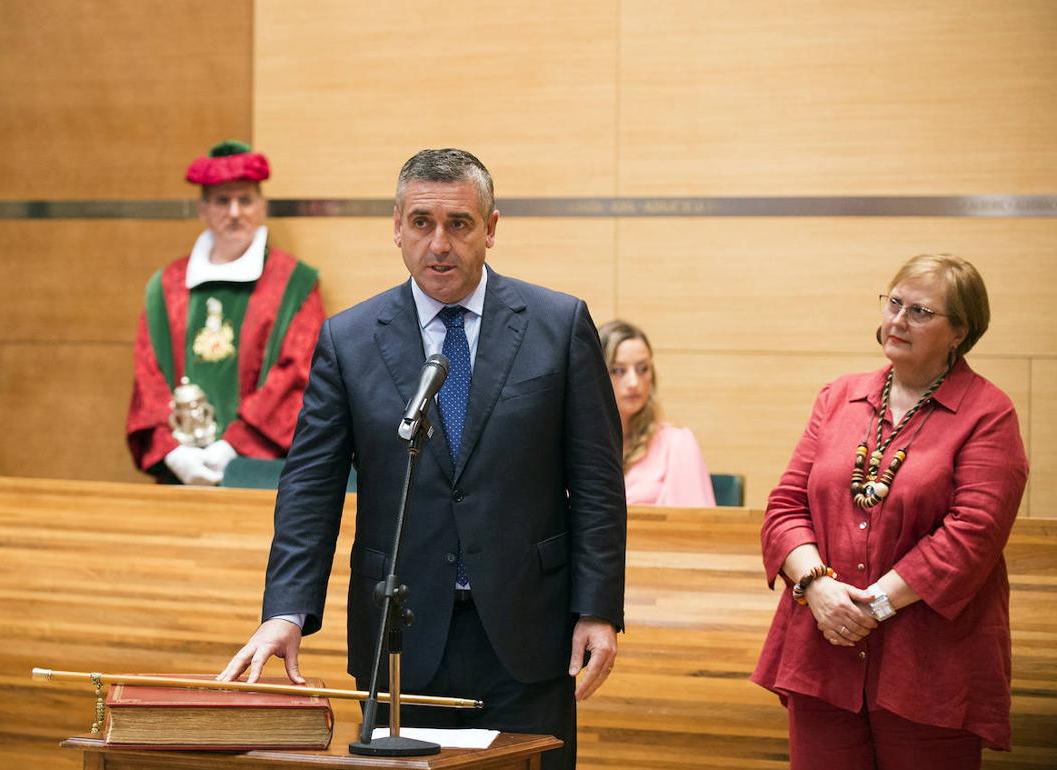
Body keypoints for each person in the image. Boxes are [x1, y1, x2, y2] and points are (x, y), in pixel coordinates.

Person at [220, 148, 626, 769]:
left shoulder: (558, 324)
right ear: (396, 227)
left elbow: (597, 482)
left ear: (490, 228)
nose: (440, 243)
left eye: (459, 224)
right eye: (421, 223)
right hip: (402, 635)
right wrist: (287, 610)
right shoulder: (348, 340)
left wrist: (597, 608)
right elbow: (311, 488)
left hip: (528, 633)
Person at [751, 254, 1028, 769]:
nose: (898, 321)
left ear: (960, 332)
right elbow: (786, 506)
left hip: (929, 667)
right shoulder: (839, 397)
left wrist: (867, 607)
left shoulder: (988, 413)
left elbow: (971, 538)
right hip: (822, 653)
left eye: (921, 312)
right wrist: (818, 587)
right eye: (894, 303)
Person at [126, 140, 324, 485]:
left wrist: (231, 447)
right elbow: (149, 375)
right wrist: (174, 452)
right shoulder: (166, 286)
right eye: (222, 201)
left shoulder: (295, 284)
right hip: (180, 471)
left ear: (261, 205)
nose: (234, 213)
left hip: (259, 470)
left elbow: (297, 373)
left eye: (245, 200)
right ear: (202, 208)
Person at [598, 320, 715, 507]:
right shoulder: (575, 446)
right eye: (618, 371)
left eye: (643, 369)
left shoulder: (677, 444)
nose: (634, 382)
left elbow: (696, 528)